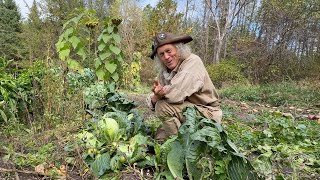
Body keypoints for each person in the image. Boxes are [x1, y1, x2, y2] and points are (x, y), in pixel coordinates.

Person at [146, 32, 222, 141]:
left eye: (169, 51)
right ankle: (185, 138)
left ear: (178, 49)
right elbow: (152, 99)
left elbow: (175, 95)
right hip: (187, 113)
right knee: (159, 138)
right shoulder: (164, 72)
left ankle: (180, 146)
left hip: (207, 115)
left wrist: (161, 96)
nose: (166, 57)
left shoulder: (192, 62)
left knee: (162, 107)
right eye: (161, 54)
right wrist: (156, 97)